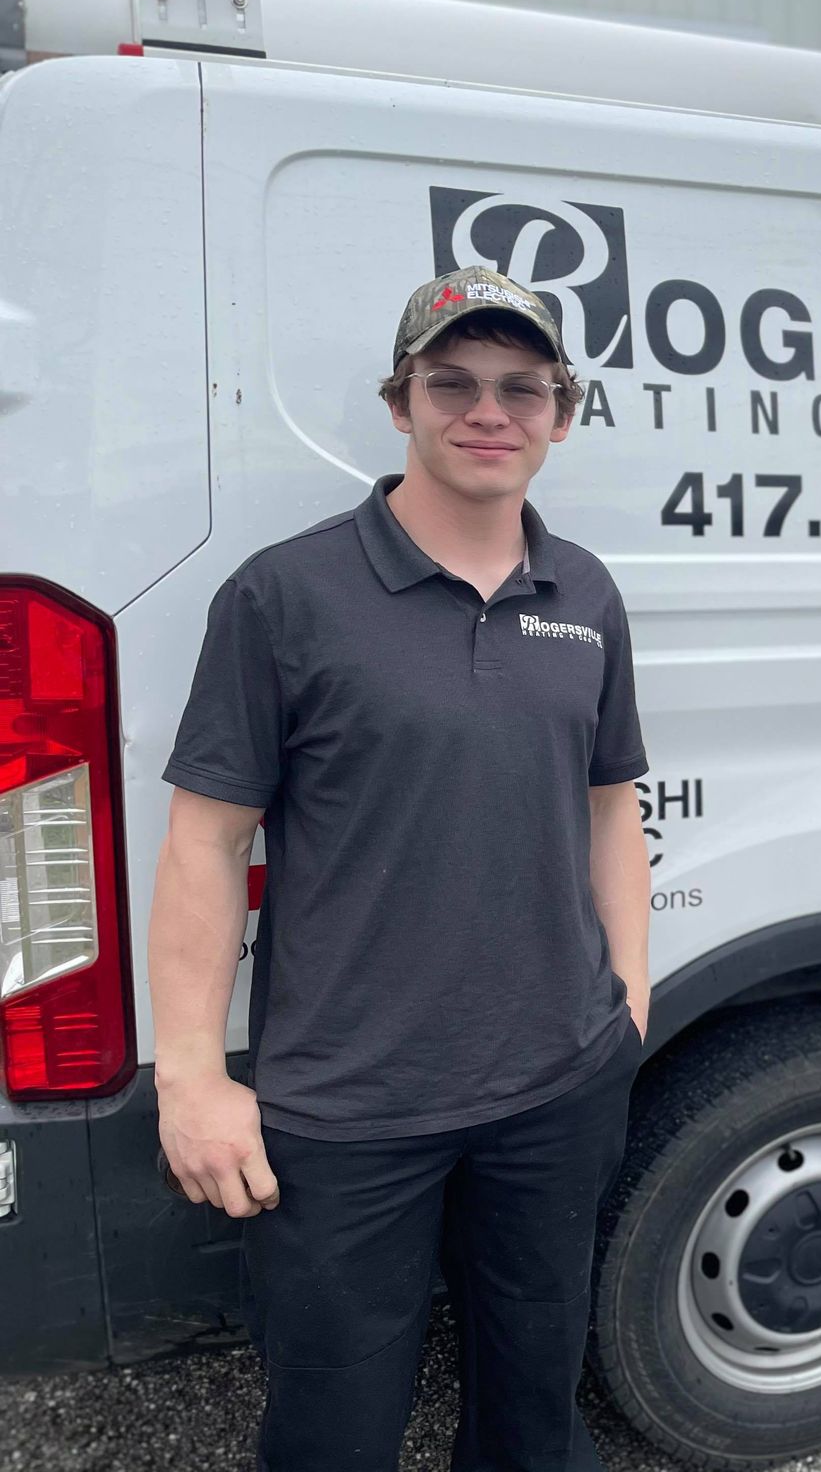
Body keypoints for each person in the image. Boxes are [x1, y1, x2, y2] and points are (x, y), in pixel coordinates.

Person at [149, 266, 650, 1468]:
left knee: (534, 1417)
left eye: (521, 389)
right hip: (348, 1110)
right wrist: (191, 1080)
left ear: (562, 415)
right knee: (333, 1432)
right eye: (453, 383)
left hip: (554, 1086)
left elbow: (611, 805)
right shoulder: (286, 594)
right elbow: (207, 842)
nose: (490, 412)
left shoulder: (581, 590)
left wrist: (629, 1000)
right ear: (400, 403)